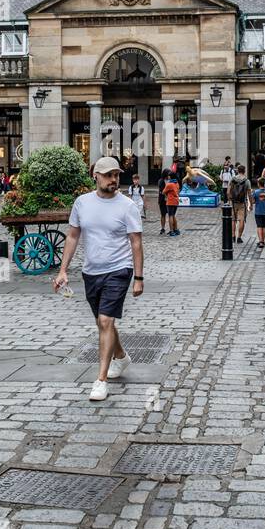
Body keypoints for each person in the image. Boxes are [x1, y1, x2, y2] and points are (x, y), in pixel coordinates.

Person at [54, 157, 144, 402]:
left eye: (116, 175)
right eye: (107, 175)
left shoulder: (127, 206)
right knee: (103, 322)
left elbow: (136, 241)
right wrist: (63, 270)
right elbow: (72, 237)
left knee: (105, 320)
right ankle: (122, 357)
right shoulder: (82, 203)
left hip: (119, 269)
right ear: (95, 175)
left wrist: (138, 277)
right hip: (91, 272)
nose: (113, 179)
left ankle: (100, 380)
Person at [228, 167, 251, 242]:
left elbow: (228, 192)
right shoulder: (247, 181)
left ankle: (232, 236)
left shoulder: (232, 179)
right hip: (242, 203)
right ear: (244, 171)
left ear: (238, 171)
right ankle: (239, 237)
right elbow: (249, 194)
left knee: (233, 220)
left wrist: (229, 200)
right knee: (241, 220)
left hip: (233, 202)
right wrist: (251, 204)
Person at [162, 170, 181, 237]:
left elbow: (163, 192)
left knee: (170, 216)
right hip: (176, 201)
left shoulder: (169, 184)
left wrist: (167, 194)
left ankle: (171, 230)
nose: (168, 177)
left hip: (170, 201)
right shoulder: (177, 183)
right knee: (173, 215)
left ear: (170, 176)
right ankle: (176, 229)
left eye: (169, 176)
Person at [252, 178, 265, 246]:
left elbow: (253, 201)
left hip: (258, 212)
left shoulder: (256, 192)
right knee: (264, 227)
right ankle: (264, 241)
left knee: (259, 226)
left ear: (258, 184)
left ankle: (261, 241)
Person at [156, 169, 170, 235]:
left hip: (169, 199)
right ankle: (163, 228)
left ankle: (171, 228)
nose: (169, 176)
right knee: (163, 214)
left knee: (171, 215)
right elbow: (161, 190)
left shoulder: (170, 181)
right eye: (168, 174)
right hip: (162, 200)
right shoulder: (161, 181)